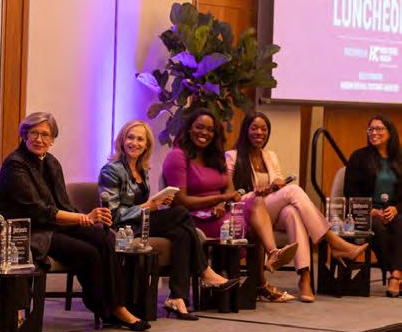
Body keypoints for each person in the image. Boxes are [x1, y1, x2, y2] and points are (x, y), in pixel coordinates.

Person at [0, 112, 150, 331]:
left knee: (105, 236)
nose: (39, 139)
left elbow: (63, 204)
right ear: (24, 135)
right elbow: (39, 211)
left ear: (52, 139)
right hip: (31, 231)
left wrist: (89, 219)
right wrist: (83, 218)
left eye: (45, 134)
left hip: (56, 224)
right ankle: (107, 308)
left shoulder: (51, 162)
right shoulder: (15, 164)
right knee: (88, 253)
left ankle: (117, 306)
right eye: (34, 133)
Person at [99, 120, 238, 320]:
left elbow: (142, 205)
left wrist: (160, 203)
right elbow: (113, 215)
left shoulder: (142, 169)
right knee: (181, 213)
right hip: (122, 228)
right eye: (130, 137)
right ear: (122, 140)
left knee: (181, 233)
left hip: (140, 222)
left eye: (140, 139)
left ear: (146, 145)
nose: (134, 143)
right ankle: (204, 270)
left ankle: (177, 298)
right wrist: (149, 206)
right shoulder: (111, 170)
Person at [227, 112, 368, 302]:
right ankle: (333, 241)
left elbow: (277, 189)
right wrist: (257, 192)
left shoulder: (270, 156)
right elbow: (231, 194)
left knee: (292, 212)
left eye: (264, 129)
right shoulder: (232, 156)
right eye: (254, 128)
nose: (259, 132)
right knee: (294, 191)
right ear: (245, 130)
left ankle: (305, 277)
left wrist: (276, 185)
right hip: (246, 212)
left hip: (269, 212)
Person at [162, 108, 298, 302]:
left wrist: (222, 201)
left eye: (210, 130)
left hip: (221, 213)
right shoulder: (177, 156)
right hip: (195, 220)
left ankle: (272, 254)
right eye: (199, 127)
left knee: (257, 202)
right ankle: (259, 285)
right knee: (254, 227)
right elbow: (181, 201)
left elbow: (230, 190)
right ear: (189, 128)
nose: (204, 133)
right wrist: (219, 199)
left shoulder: (215, 157)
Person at [344, 115, 402, 298]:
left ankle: (396, 275)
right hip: (365, 212)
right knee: (376, 227)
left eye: (379, 129)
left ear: (390, 132)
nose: (374, 133)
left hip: (394, 211)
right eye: (371, 129)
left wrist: (396, 208)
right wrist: (371, 210)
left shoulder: (400, 158)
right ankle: (396, 275)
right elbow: (350, 192)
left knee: (400, 224)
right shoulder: (359, 157)